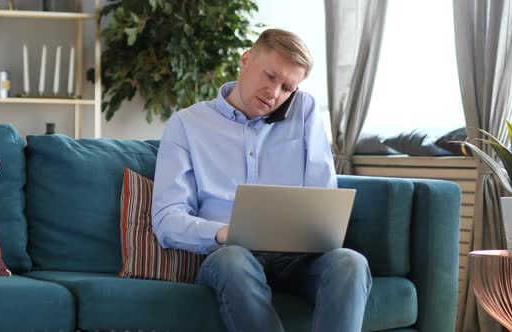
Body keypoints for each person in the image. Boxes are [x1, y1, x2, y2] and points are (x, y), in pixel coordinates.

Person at [151, 28, 372, 332]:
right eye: (270, 76)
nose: (275, 93)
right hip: (230, 257)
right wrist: (225, 232)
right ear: (246, 59)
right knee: (233, 261)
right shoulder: (187, 125)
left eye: (287, 88)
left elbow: (323, 195)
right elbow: (166, 219)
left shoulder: (304, 111)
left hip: (299, 259)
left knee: (351, 263)